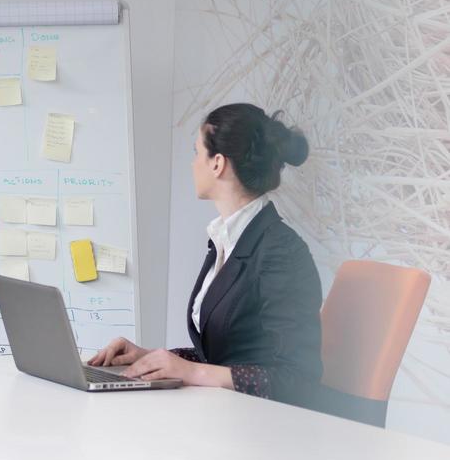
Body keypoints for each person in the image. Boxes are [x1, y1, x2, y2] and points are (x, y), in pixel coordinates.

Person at [89, 103, 322, 407]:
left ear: (217, 164)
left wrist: (192, 371)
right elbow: (224, 355)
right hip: (221, 414)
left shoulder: (282, 253)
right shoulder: (227, 239)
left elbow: (297, 380)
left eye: (196, 152)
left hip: (262, 432)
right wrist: (153, 358)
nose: (192, 163)